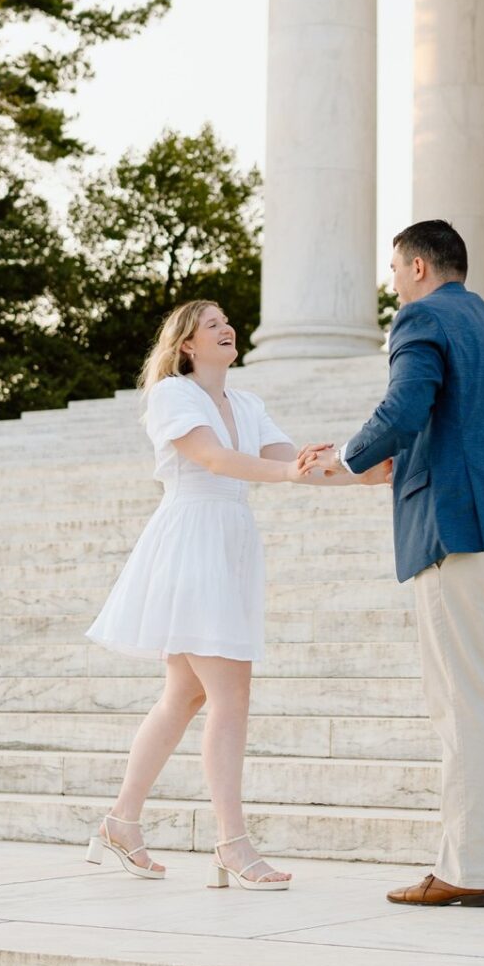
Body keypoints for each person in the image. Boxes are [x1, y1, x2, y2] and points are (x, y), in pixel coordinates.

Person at [296, 218, 484, 908]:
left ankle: (466, 870)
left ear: (418, 267)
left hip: (467, 534)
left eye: (394, 271)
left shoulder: (422, 319)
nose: (393, 286)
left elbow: (405, 406)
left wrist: (346, 459)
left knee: (466, 708)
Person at [86, 300, 371, 890]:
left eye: (227, 322)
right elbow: (214, 460)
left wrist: (367, 474)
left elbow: (292, 462)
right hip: (191, 540)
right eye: (212, 324)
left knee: (184, 696)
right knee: (230, 695)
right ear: (187, 343)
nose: (227, 329)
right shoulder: (172, 395)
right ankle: (232, 844)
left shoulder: (246, 403)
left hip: (229, 544)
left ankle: (120, 824)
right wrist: (292, 472)